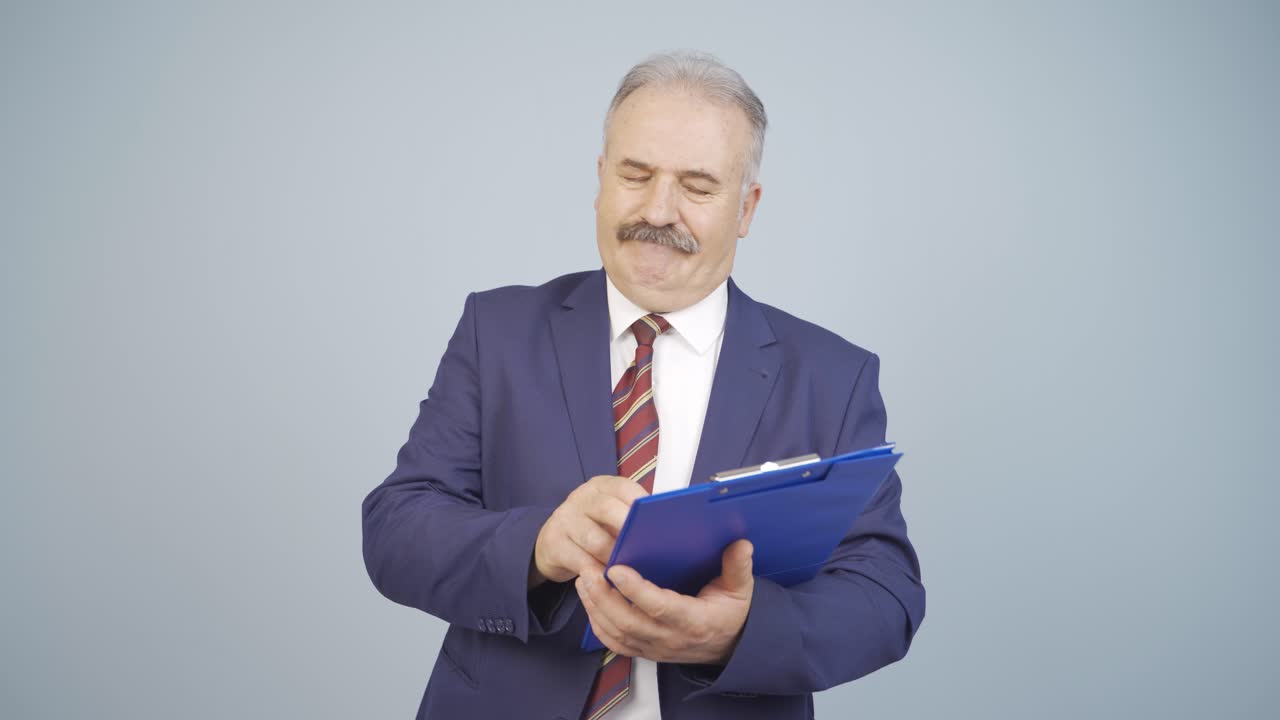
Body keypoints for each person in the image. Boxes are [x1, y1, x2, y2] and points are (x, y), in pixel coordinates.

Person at [361, 50, 925, 720]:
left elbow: (886, 596)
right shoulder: (498, 330)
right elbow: (396, 531)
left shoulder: (833, 375)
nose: (659, 211)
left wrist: (740, 631)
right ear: (602, 180)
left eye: (698, 186)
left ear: (746, 207)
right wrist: (538, 545)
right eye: (636, 174)